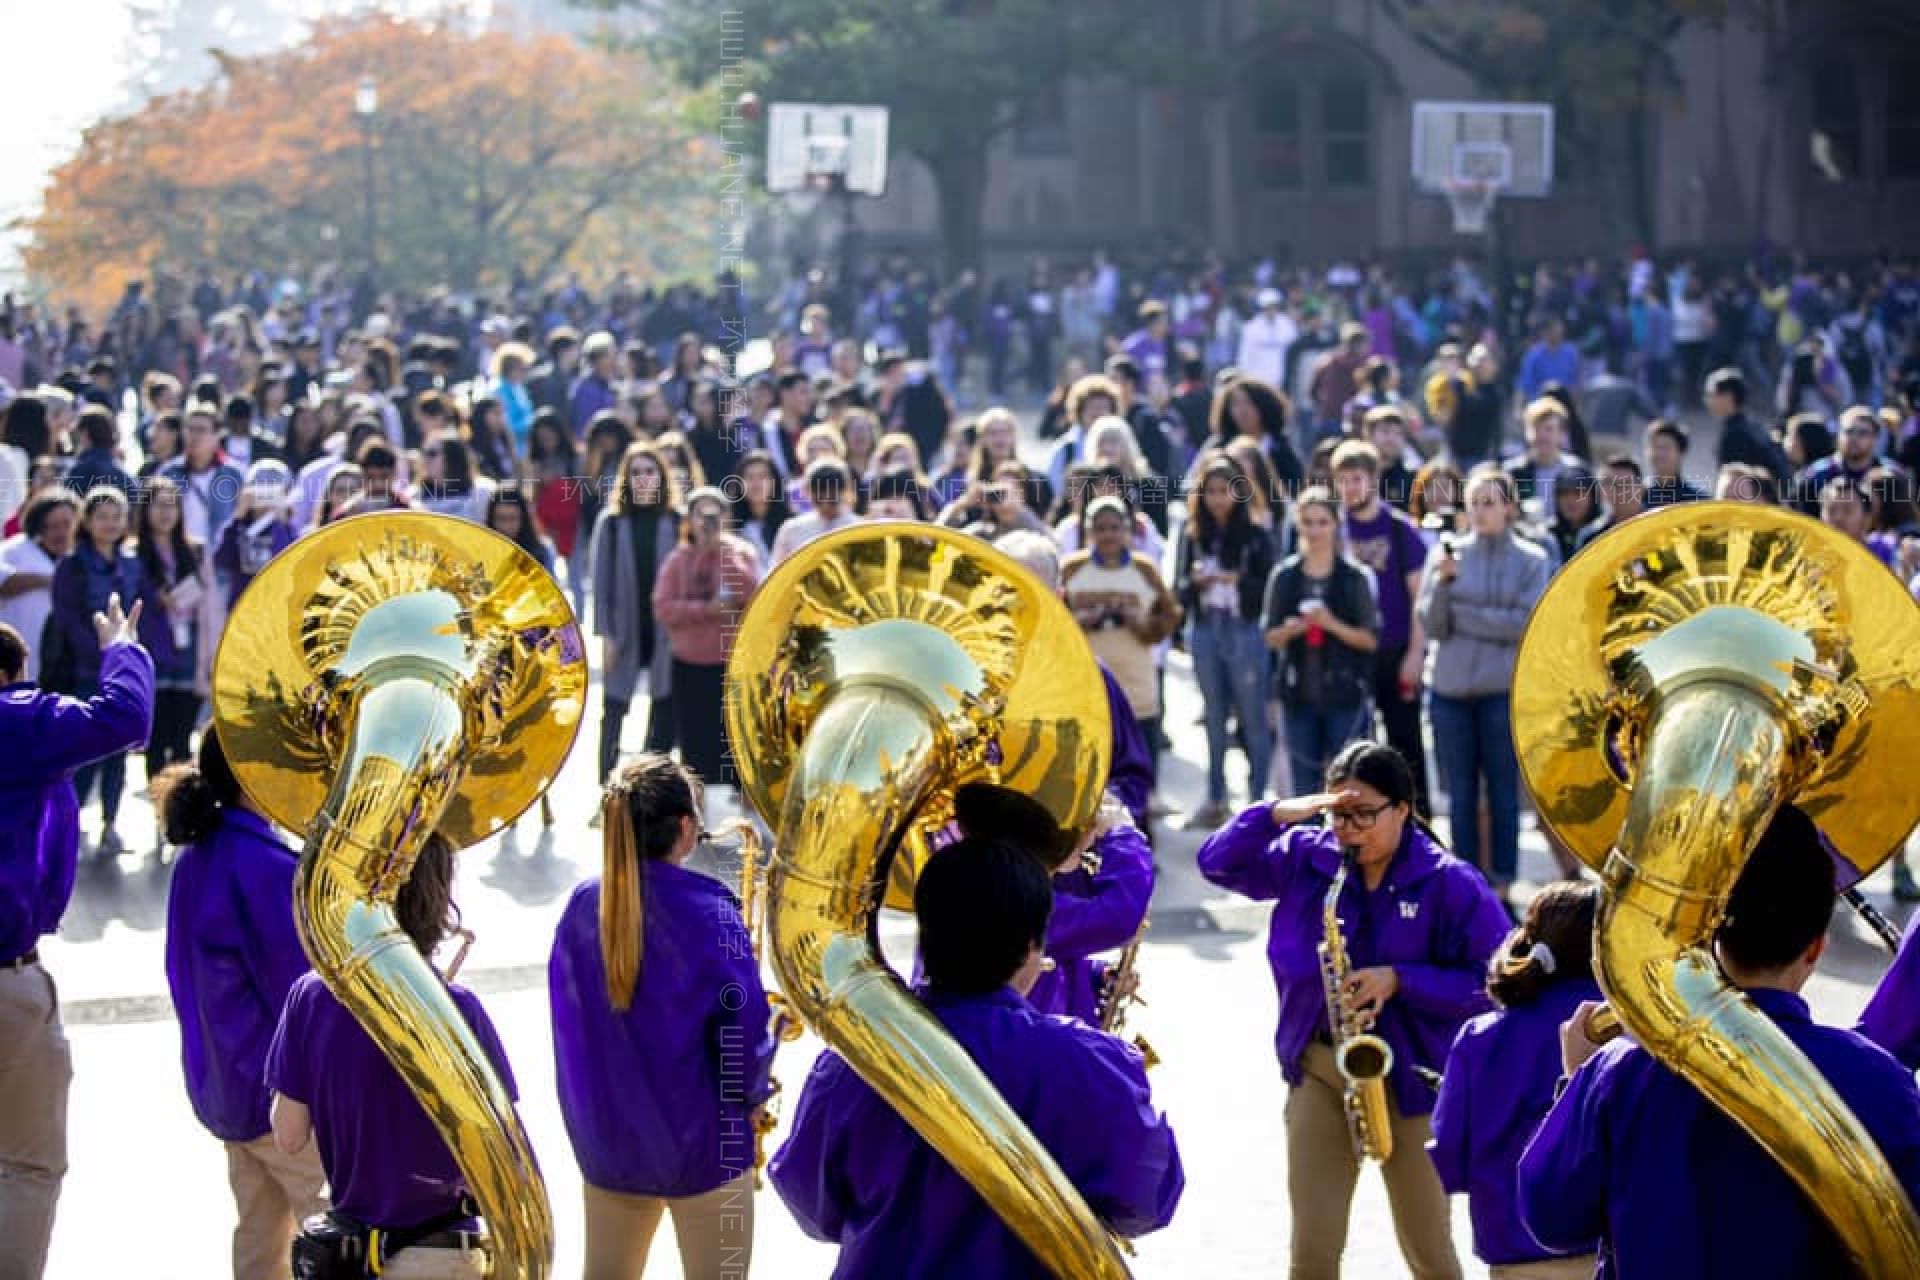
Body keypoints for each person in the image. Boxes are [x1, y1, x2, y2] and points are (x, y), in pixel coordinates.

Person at [1518, 805, 1920, 1280]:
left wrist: (1576, 1082)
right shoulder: (1878, 1081)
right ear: (1815, 947)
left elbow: (1549, 1217)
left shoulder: (1619, 1073)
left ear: (1708, 930)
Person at [770, 835, 1184, 1276]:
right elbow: (1149, 1199)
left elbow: (812, 1206)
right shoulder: (1089, 1063)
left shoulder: (850, 1064)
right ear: (1032, 947)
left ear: (927, 933)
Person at [1196, 741, 1508, 1280]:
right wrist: (1275, 814)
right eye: (1339, 813)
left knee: (1430, 1254)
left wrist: (1401, 980)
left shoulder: (1449, 881)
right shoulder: (1307, 857)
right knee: (1313, 1256)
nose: (1350, 828)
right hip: (1323, 1068)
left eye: (1365, 813)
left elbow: (1497, 979)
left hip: (1413, 1082)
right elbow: (1217, 863)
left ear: (1403, 808)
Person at [549, 755, 774, 1279]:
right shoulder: (711, 907)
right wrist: (755, 1095)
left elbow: (571, 1026)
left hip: (608, 1140)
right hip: (705, 1140)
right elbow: (741, 1032)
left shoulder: (582, 905)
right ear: (686, 828)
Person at [0, 592, 151, 1280]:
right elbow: (125, 717)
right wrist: (121, 647)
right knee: (29, 1163)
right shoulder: (19, 720)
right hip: (8, 977)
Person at [158, 730, 325, 1280]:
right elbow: (299, 992)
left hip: (227, 1088)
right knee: (334, 1234)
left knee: (259, 1239)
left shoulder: (199, 856)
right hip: (281, 1097)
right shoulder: (263, 865)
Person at [1430, 881, 1602, 1279]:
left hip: (1515, 1250)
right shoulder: (1628, 1031)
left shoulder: (1480, 1036)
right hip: (1612, 1249)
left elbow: (1451, 1161)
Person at [1416, 467, 1551, 895]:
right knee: (1460, 793)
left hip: (1500, 691)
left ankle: (1504, 881)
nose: (1479, 512)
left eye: (1489, 503)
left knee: (1502, 791)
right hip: (1450, 691)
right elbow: (1434, 624)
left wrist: (1465, 615)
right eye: (1473, 503)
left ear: (1509, 507)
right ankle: (1465, 877)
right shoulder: (1445, 556)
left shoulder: (1532, 559)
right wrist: (1444, 587)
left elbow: (1524, 624)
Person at [1172, 452, 1275, 823]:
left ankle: (1258, 799)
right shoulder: (1193, 534)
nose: (1218, 499)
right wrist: (1195, 583)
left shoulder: (1256, 536)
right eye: (1211, 491)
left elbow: (1271, 588)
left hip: (1244, 631)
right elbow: (1178, 587)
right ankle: (1215, 797)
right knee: (1213, 716)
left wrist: (1237, 580)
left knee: (1253, 718)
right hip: (1206, 629)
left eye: (1225, 491)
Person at [48, 487, 152, 854]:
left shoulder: (133, 563)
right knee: (80, 755)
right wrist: (101, 650)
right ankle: (67, 829)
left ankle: (110, 823)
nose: (110, 524)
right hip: (83, 671)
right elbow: (67, 618)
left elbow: (145, 612)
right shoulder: (71, 565)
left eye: (117, 516)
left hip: (121, 671)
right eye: (102, 516)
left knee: (117, 754)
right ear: (87, 521)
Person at [1332, 440, 1432, 816]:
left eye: (1357, 478)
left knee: (1406, 748)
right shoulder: (1332, 527)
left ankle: (1419, 825)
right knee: (1354, 751)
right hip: (1348, 652)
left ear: (1373, 479)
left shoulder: (1400, 530)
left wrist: (1415, 655)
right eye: (1343, 480)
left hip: (1395, 650)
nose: (1350, 488)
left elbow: (1419, 600)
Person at [1264, 486, 1379, 795]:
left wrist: (1331, 624)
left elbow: (1370, 639)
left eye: (1322, 522)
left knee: (1351, 787)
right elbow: (1269, 637)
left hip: (1345, 695)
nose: (1315, 530)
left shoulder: (1354, 578)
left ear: (1336, 525)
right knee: (1305, 790)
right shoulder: (1285, 577)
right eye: (1308, 522)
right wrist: (1292, 630)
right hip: (1298, 695)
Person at [1062, 495, 1181, 779]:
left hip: (1137, 682)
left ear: (1127, 530)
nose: (1108, 535)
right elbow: (1056, 622)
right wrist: (1082, 623)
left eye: (1115, 527)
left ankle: (1146, 809)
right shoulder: (1071, 569)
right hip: (1090, 682)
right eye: (1100, 528)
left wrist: (1141, 624)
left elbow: (1171, 616)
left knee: (1140, 761)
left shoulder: (1144, 569)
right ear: (1089, 532)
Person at [652, 486, 762, 786]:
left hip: (731, 665)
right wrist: (705, 609)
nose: (707, 520)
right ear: (689, 519)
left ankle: (748, 814)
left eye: (715, 513)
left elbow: (753, 593)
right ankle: (699, 815)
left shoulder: (741, 553)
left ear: (727, 517)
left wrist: (722, 551)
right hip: (690, 665)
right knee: (695, 748)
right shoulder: (678, 559)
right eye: (700, 513)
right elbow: (663, 607)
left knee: (739, 744)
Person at [589, 441, 682, 785]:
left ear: (661, 476)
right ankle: (606, 786)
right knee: (613, 708)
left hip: (665, 630)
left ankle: (647, 783)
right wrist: (605, 636)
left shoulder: (675, 520)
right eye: (636, 472)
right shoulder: (612, 523)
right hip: (623, 626)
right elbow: (599, 585)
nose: (643, 479)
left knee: (664, 708)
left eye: (650, 471)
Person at [133, 474, 219, 794]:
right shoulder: (134, 553)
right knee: (156, 738)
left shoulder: (194, 551)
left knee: (183, 737)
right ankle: (158, 806)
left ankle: (181, 808)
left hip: (188, 653)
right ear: (144, 511)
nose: (165, 513)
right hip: (152, 652)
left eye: (172, 505)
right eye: (158, 505)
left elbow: (210, 606)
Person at [0, 491, 77, 682]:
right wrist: (48, 580)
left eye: (67, 525)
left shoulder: (79, 558)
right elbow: (4, 582)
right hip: (14, 660)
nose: (61, 533)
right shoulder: (15, 549)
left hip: (61, 666)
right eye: (53, 526)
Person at [1707, 366, 1791, 487]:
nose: (1708, 400)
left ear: (1728, 396)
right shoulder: (1752, 427)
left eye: (1712, 394)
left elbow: (1735, 482)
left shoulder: (1735, 435)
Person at [769, 458, 858, 565]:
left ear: (845, 490)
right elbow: (776, 572)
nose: (825, 503)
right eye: (819, 498)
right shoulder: (791, 530)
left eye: (832, 498)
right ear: (807, 491)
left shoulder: (860, 528)